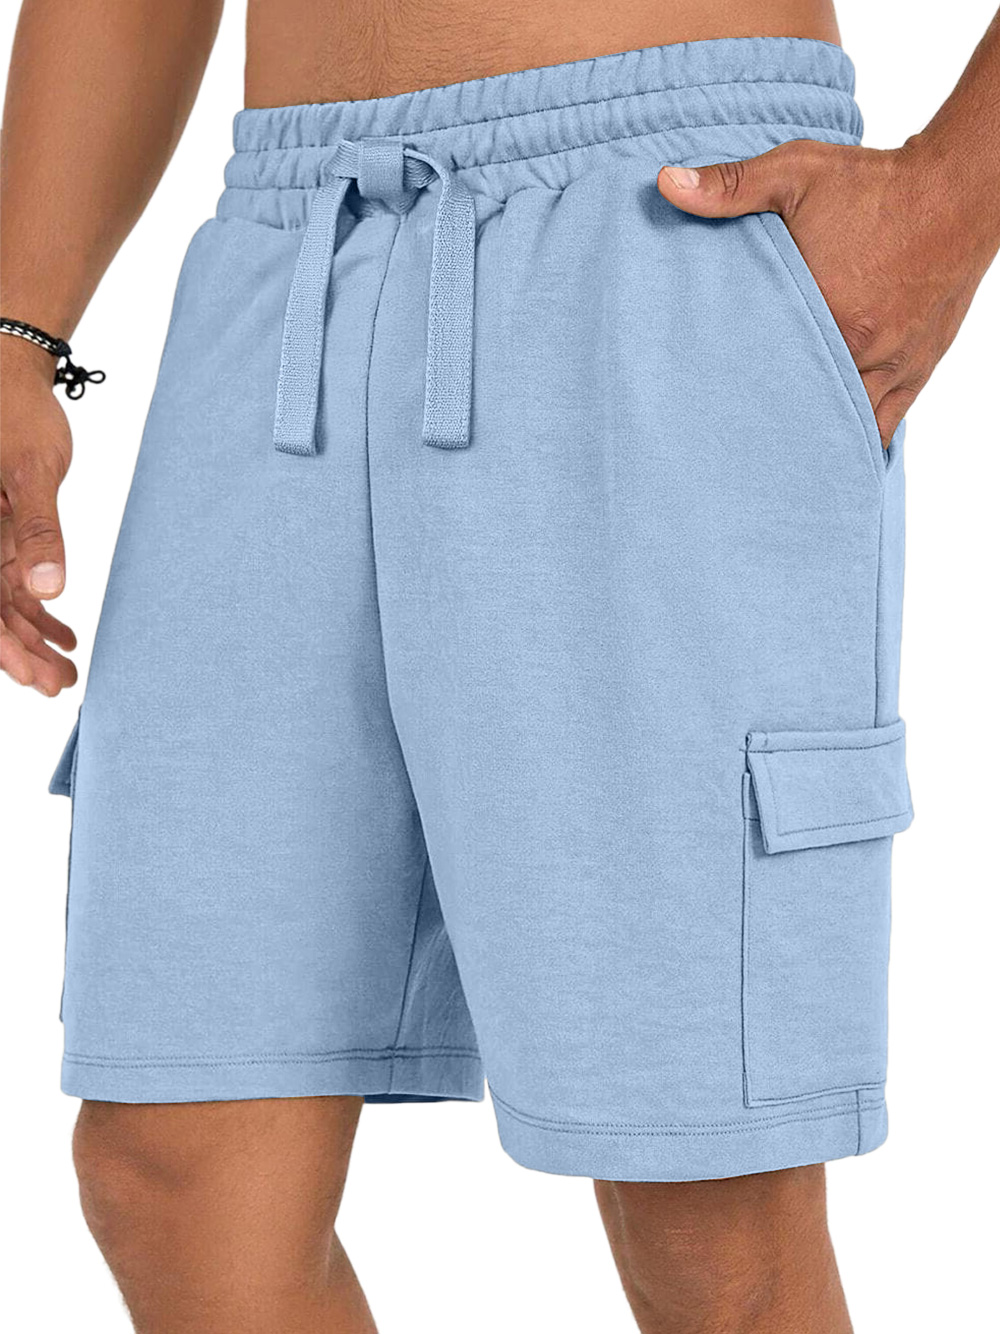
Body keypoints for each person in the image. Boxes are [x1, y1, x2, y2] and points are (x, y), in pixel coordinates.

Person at [1, 0, 997, 1329]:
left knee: (706, 1202)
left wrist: (950, 196)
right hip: (287, 243)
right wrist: (17, 329)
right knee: (172, 1166)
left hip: (664, 209)